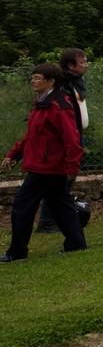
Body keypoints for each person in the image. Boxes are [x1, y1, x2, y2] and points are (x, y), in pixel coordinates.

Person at [1, 64, 87, 263]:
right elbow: (32, 135)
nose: (33, 80)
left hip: (47, 167)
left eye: (37, 77)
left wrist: (73, 165)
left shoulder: (59, 105)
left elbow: (72, 138)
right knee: (61, 204)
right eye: (33, 77)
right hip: (43, 164)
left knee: (22, 205)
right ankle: (76, 244)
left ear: (51, 81)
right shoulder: (41, 103)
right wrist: (13, 154)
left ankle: (17, 252)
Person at [36, 48, 89, 234]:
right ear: (70, 65)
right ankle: (48, 222)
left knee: (61, 184)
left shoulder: (76, 82)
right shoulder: (62, 85)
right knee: (60, 182)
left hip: (76, 133)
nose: (86, 65)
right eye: (82, 62)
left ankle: (52, 221)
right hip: (67, 137)